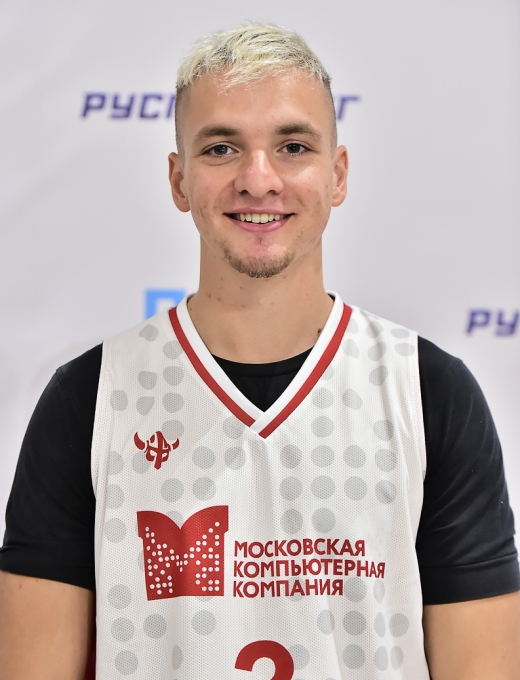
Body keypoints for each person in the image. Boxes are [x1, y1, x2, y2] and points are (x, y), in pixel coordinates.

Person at [0, 23, 519, 680]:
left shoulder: (426, 391)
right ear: (179, 180)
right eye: (221, 148)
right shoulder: (92, 398)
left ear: (337, 174)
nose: (258, 178)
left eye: (292, 146)